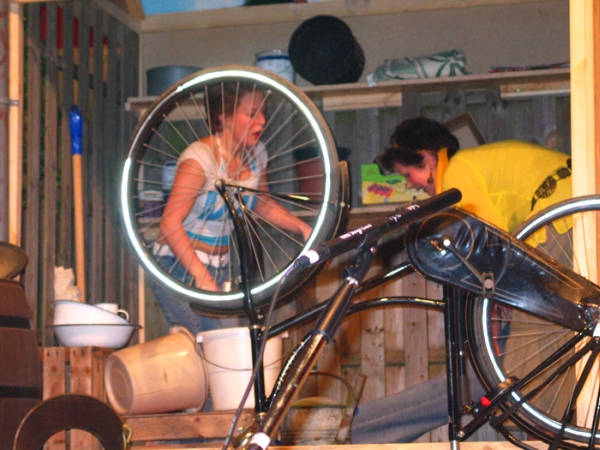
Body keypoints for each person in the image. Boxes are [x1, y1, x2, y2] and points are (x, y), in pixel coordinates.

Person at [350, 116, 572, 443]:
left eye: (408, 175)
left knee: (523, 374)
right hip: (567, 217)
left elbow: (491, 248)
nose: (411, 186)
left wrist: (492, 312)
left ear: (428, 158)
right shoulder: (475, 165)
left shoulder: (457, 174)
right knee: (515, 374)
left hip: (561, 224)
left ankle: (358, 430)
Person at [151, 82, 312, 335]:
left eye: (263, 112)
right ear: (224, 118)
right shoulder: (200, 159)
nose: (262, 121)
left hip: (220, 267)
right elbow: (169, 223)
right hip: (179, 267)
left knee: (223, 347)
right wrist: (203, 278)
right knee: (204, 346)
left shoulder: (257, 153)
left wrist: (303, 229)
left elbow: (262, 202)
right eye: (252, 114)